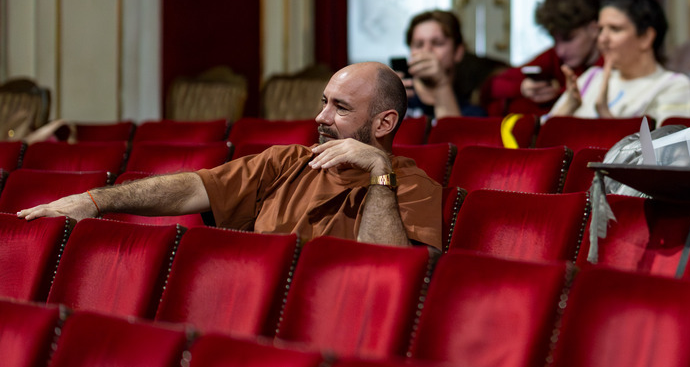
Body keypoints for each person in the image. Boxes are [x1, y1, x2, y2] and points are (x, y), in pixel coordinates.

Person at [17, 62, 441, 248]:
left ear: (384, 124)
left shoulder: (412, 186)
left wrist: (379, 171)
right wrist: (95, 201)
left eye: (341, 108)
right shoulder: (288, 161)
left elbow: (387, 268)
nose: (321, 117)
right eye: (324, 102)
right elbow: (191, 189)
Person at [549, 0, 690, 123]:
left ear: (646, 37)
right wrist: (568, 107)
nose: (602, 39)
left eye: (615, 29)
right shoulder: (591, 78)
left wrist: (607, 118)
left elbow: (671, 139)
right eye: (601, 29)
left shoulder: (674, 87)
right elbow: (541, 136)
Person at [486, 0, 603, 114]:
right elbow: (493, 86)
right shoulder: (554, 57)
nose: (560, 51)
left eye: (568, 39)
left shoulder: (612, 62)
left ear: (594, 29)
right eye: (555, 40)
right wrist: (522, 88)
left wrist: (557, 94)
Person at [401, 9, 489, 119]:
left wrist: (441, 83)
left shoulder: (472, 114)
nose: (426, 51)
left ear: (458, 52)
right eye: (418, 45)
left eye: (438, 43)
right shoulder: (400, 100)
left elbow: (451, 130)